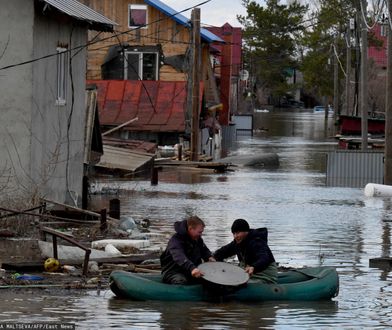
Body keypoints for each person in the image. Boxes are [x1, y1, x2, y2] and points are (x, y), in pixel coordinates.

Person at [213, 218, 278, 284]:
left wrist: (254, 267)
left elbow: (264, 258)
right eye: (234, 233)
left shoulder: (256, 241)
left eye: (238, 233)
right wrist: (212, 257)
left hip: (264, 275)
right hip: (250, 273)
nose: (235, 236)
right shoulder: (237, 243)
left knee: (235, 284)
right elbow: (223, 251)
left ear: (246, 232)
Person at [160, 215, 215, 284]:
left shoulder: (197, 239)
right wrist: (192, 268)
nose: (201, 234)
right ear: (190, 229)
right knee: (181, 281)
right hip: (173, 272)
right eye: (199, 232)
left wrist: (209, 257)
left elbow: (204, 250)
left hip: (191, 270)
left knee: (209, 279)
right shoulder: (176, 241)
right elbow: (179, 257)